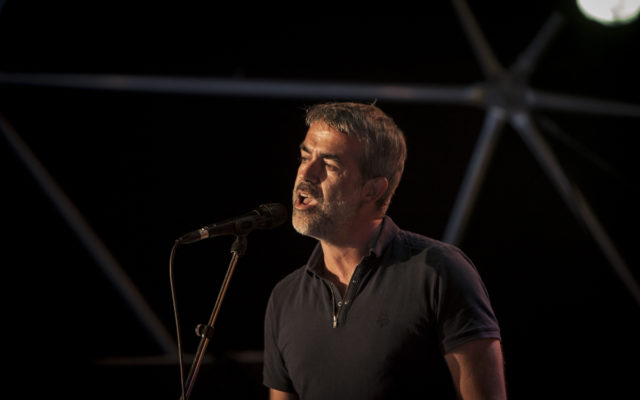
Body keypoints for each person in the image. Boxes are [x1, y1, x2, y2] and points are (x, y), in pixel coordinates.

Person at [263, 102, 506, 400]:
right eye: (305, 157)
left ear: (373, 190)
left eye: (329, 165)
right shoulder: (285, 297)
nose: (306, 173)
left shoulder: (438, 272)